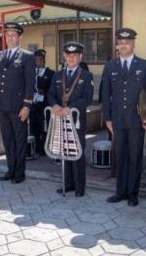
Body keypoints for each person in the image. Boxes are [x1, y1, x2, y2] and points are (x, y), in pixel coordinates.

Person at [101, 28, 146, 206]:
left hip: (137, 120)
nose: (123, 45)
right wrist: (107, 118)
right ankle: (120, 192)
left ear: (133, 44)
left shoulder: (144, 65)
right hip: (117, 120)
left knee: (135, 157)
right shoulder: (111, 66)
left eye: (127, 42)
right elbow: (105, 94)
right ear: (117, 45)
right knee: (120, 157)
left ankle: (133, 194)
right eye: (120, 42)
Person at [0, 22, 36, 184]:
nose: (10, 38)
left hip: (18, 107)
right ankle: (10, 170)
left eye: (13, 35)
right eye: (7, 35)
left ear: (20, 37)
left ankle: (19, 173)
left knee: (19, 140)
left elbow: (30, 84)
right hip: (2, 106)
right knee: (8, 140)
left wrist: (27, 106)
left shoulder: (27, 56)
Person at [48, 42, 94, 197]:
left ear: (80, 57)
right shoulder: (57, 75)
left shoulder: (86, 76)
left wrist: (71, 106)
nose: (71, 58)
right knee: (64, 151)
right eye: (68, 55)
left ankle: (79, 188)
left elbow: (87, 99)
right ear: (64, 57)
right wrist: (54, 105)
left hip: (76, 120)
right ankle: (67, 185)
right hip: (60, 119)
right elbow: (51, 94)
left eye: (75, 55)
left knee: (77, 152)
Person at [31, 49, 54, 156]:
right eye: (35, 60)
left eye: (39, 59)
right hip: (33, 104)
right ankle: (33, 147)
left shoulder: (50, 73)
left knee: (44, 127)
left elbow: (54, 90)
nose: (37, 62)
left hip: (44, 105)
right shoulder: (30, 73)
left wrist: (45, 92)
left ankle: (44, 148)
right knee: (33, 126)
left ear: (43, 60)